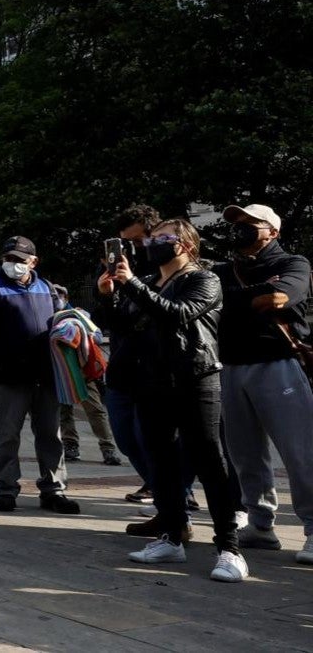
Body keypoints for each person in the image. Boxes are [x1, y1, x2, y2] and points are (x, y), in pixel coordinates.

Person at [101, 219, 247, 582]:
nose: (151, 244)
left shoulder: (204, 279)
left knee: (209, 459)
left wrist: (132, 284)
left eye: (161, 238)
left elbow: (177, 314)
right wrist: (111, 295)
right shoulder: (149, 283)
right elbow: (124, 325)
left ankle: (229, 548)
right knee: (160, 460)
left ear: (183, 244)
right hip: (151, 381)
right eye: (151, 239)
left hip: (195, 378)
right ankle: (171, 535)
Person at [212, 204, 313, 566]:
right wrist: (251, 296)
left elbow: (277, 298)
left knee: (300, 451)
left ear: (272, 230)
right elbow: (214, 304)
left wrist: (238, 298)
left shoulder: (293, 264)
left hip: (278, 365)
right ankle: (260, 524)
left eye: (249, 223)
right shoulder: (224, 270)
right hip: (231, 367)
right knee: (244, 453)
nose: (240, 229)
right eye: (236, 224)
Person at [0, 236, 80, 514]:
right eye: (8, 259)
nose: (12, 264)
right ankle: (6, 489)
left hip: (46, 375)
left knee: (50, 435)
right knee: (8, 435)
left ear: (33, 261)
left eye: (19, 259)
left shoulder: (48, 289)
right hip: (10, 377)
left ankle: (54, 489)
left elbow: (61, 323)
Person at [95, 204, 162, 502]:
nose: (133, 249)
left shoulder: (164, 268)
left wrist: (133, 281)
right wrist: (107, 294)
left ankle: (173, 493)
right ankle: (156, 482)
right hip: (123, 363)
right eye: (127, 242)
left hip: (156, 364)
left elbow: (163, 312)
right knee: (125, 435)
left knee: (153, 435)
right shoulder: (118, 268)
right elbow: (110, 320)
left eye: (137, 241)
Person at [51, 283, 121, 466]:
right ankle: (70, 445)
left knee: (95, 410)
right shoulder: (47, 316)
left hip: (81, 369)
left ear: (65, 298)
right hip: (61, 371)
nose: (55, 299)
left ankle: (108, 448)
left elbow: (96, 336)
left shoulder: (78, 314)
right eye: (52, 296)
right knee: (64, 410)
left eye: (58, 295)